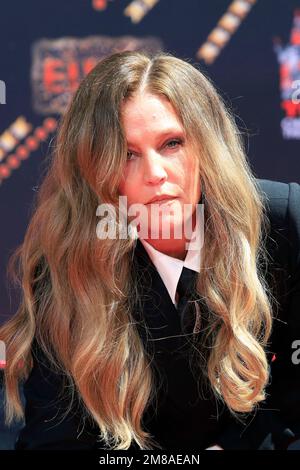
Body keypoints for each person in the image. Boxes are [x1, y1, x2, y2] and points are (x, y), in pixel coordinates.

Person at [0, 50, 299, 451]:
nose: (155, 174)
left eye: (172, 143)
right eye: (127, 154)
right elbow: (54, 439)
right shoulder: (67, 263)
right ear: (94, 170)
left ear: (207, 146)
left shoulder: (284, 223)